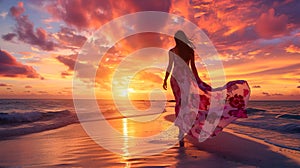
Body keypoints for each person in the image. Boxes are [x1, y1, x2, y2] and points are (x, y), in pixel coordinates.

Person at [163, 30, 250, 147]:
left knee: (180, 104)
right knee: (187, 104)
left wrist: (165, 79)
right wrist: (198, 82)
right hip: (186, 78)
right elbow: (193, 68)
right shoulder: (189, 51)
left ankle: (181, 135)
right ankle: (188, 129)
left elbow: (170, 67)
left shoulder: (172, 51)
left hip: (175, 79)